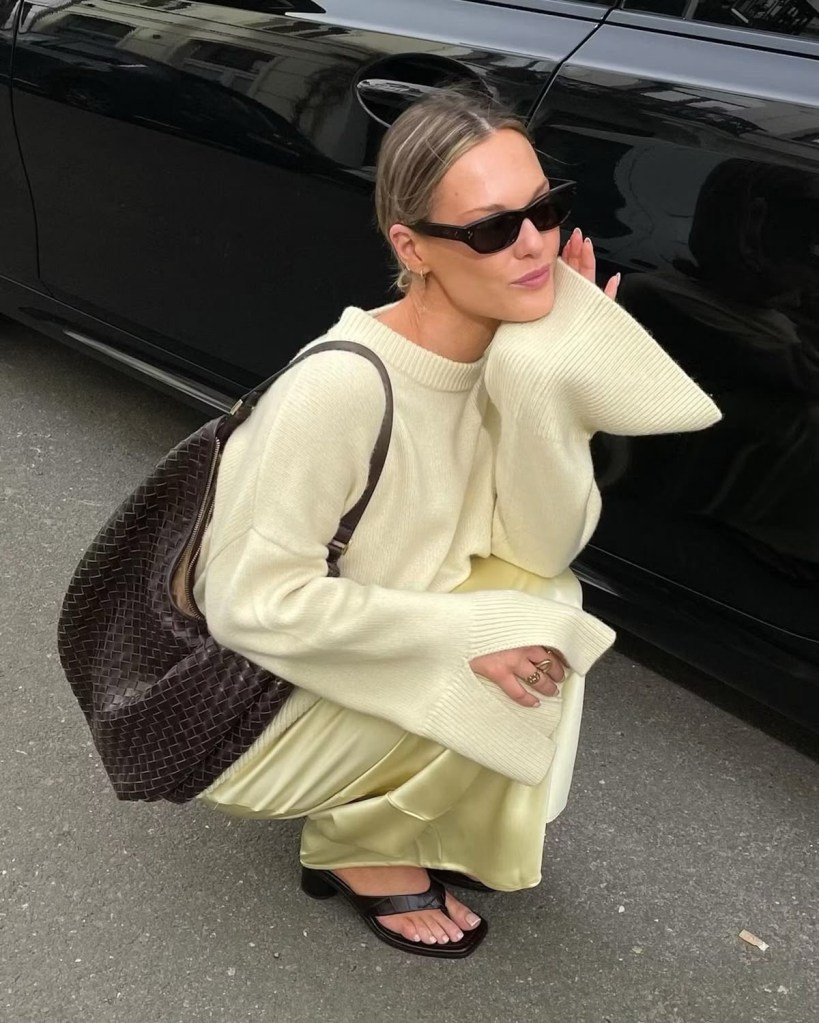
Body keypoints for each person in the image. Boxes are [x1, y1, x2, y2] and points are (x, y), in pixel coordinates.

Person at [191, 88, 722, 959]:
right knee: (506, 629)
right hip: (263, 695)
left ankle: (416, 811)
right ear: (412, 248)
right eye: (490, 229)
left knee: (543, 595)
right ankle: (356, 842)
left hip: (371, 639)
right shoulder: (340, 386)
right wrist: (463, 637)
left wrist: (548, 381)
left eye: (544, 209)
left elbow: (541, 547)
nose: (533, 244)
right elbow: (247, 604)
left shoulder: (504, 354)